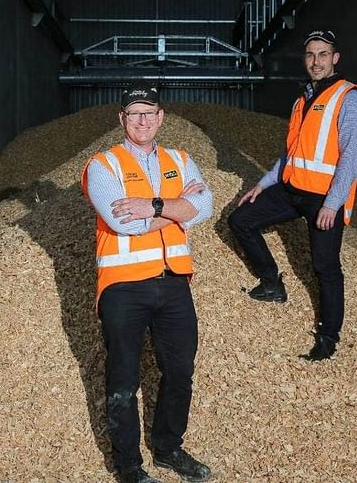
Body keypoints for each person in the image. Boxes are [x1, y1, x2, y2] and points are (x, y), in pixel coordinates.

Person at [82, 82, 214, 483]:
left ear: (161, 118)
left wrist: (153, 206)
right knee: (123, 377)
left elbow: (206, 206)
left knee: (180, 370)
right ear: (122, 119)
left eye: (149, 112)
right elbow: (127, 224)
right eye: (134, 113)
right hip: (123, 286)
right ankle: (129, 467)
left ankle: (168, 447)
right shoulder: (103, 166)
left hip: (174, 282)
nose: (142, 120)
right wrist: (179, 209)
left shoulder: (180, 157)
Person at [227, 29, 357, 362]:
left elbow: (352, 156)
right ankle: (272, 284)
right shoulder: (303, 98)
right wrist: (262, 184)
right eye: (310, 55)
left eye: (323, 54)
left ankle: (328, 337)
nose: (316, 61)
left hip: (323, 199)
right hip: (292, 189)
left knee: (325, 267)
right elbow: (292, 153)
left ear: (335, 58)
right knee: (241, 219)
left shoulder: (348, 98)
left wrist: (333, 204)